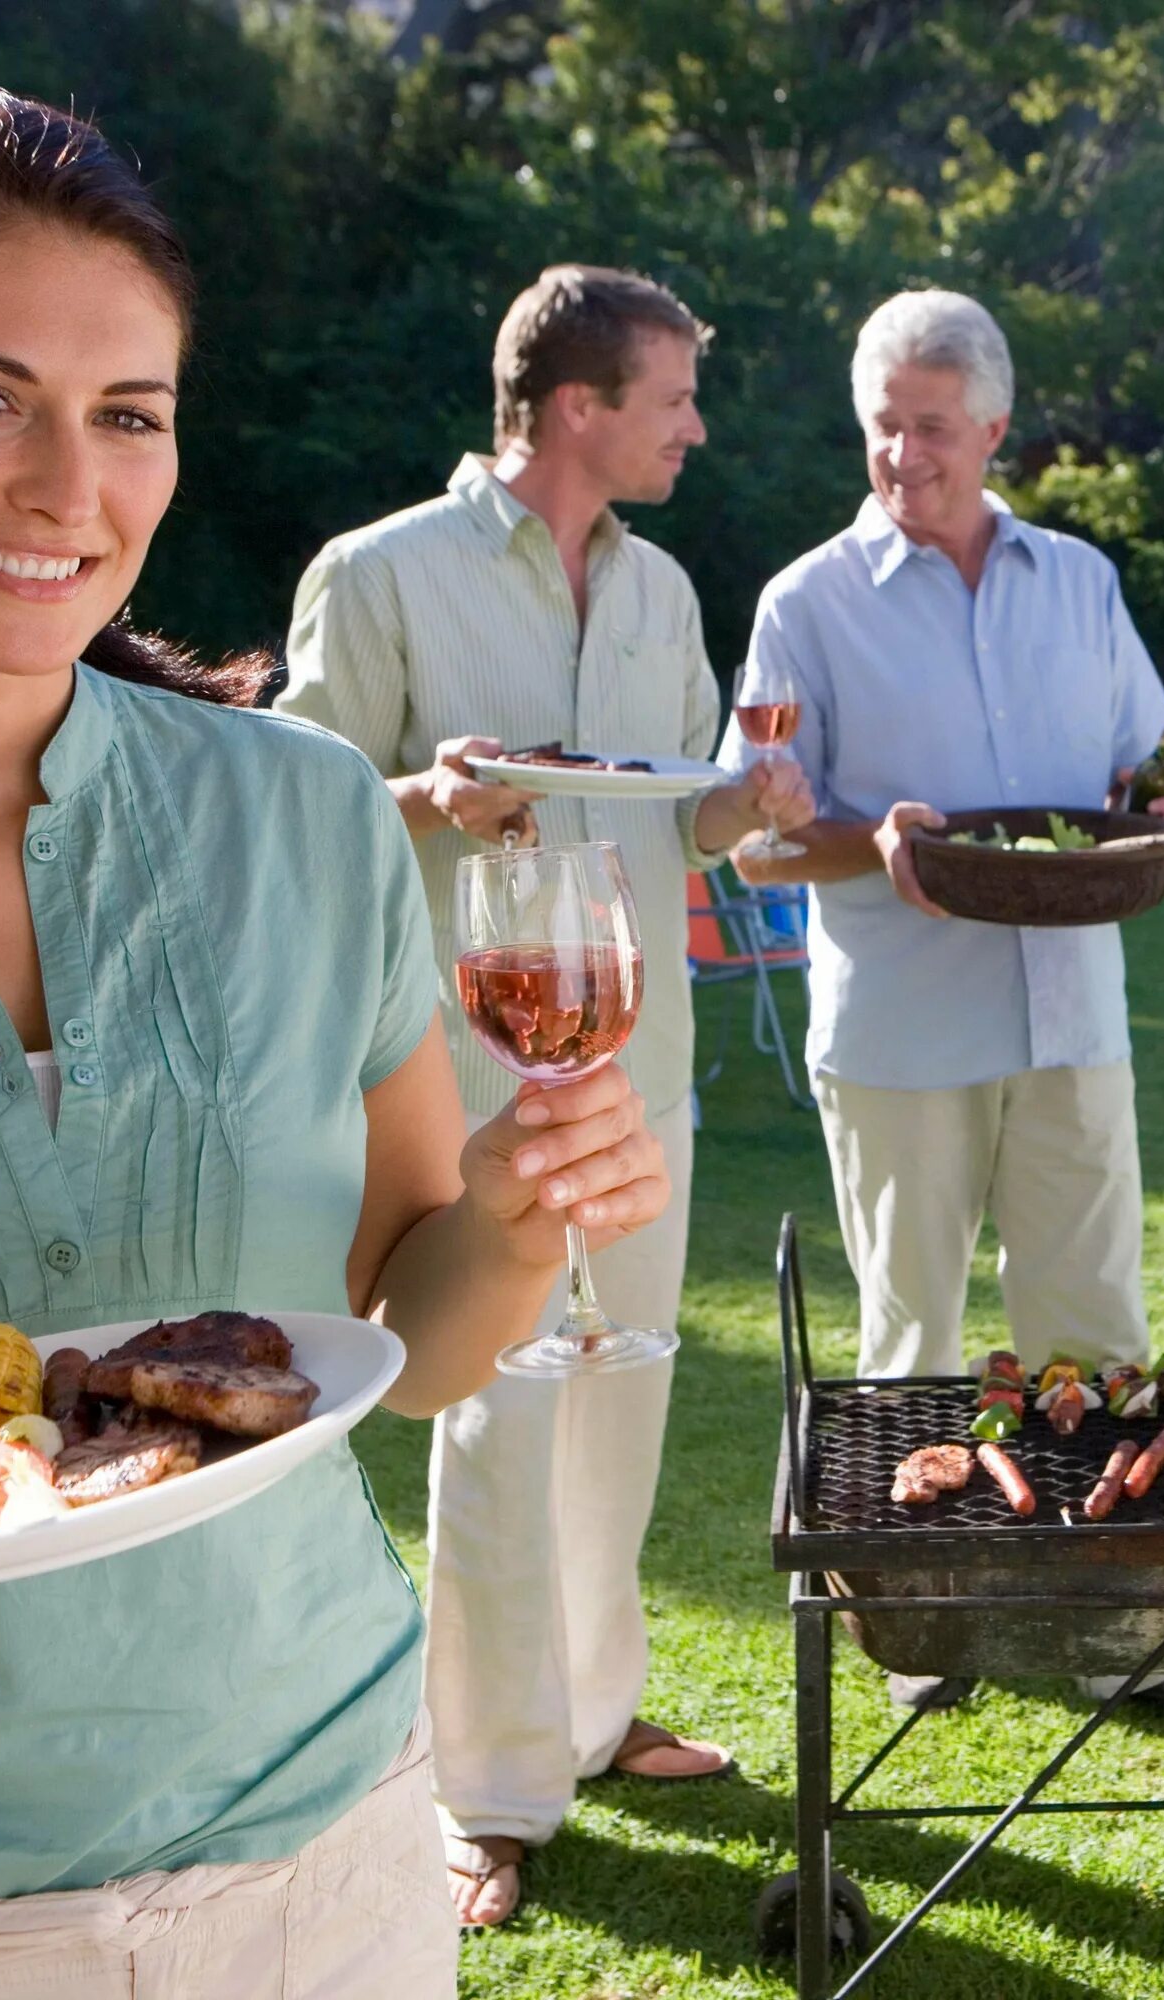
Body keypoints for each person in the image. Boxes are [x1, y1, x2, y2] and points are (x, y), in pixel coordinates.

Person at [0, 88, 669, 1997]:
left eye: (130, 416)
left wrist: (517, 1212)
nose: (70, 489)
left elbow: (407, 1349)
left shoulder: (312, 812)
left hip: (320, 1855)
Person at [278, 263, 810, 1927]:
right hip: (463, 1082)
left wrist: (754, 805)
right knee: (497, 1414)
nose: (695, 429)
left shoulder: (659, 592)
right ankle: (488, 1787)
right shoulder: (381, 578)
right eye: (673, 401)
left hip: (637, 1072)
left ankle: (589, 1714)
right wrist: (430, 801)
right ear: (577, 406)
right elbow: (297, 815)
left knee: (623, 1390)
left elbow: (683, 817)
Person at [726, 288, 1164, 1728]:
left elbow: (1131, 768)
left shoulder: (1078, 580)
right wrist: (876, 845)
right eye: (886, 428)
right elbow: (763, 835)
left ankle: (1107, 1631)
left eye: (935, 429)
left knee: (1096, 1332)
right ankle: (926, 1632)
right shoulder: (805, 604)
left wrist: (1163, 807)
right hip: (901, 1028)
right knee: (912, 1341)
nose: (906, 456)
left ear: (999, 429)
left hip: (1074, 1009)